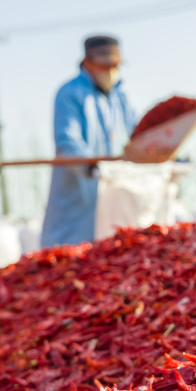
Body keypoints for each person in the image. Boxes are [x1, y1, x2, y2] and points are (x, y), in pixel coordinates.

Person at [41, 36, 137, 247]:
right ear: (88, 63)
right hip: (78, 200)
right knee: (71, 261)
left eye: (115, 66)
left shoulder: (122, 97)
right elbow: (67, 142)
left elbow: (137, 136)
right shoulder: (70, 93)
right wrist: (91, 167)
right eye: (105, 65)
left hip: (115, 198)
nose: (111, 71)